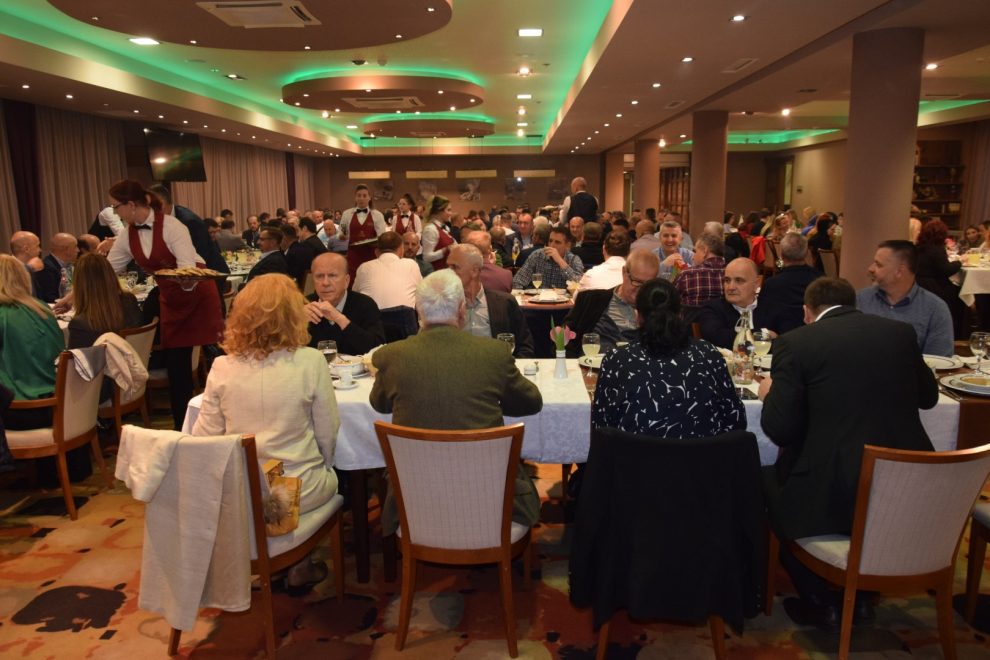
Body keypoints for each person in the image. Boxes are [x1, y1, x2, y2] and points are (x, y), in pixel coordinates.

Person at [758, 277, 938, 629]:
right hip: (905, 485)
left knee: (764, 480)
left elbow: (779, 429)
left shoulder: (796, 343)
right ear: (853, 305)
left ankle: (819, 599)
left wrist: (769, 395)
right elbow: (928, 398)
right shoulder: (899, 334)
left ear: (807, 312)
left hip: (835, 491)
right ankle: (864, 596)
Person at [192, 273, 339, 593]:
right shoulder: (310, 361)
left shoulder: (221, 367)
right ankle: (297, 562)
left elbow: (203, 442)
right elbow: (328, 435)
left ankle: (275, 558)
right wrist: (325, 465)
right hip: (297, 488)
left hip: (244, 493)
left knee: (266, 484)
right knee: (329, 475)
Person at [369, 270, 543, 535]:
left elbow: (379, 404)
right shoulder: (493, 354)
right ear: (462, 310)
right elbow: (531, 402)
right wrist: (490, 397)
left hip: (416, 503)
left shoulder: (391, 356)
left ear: (418, 311)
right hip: (491, 500)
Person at [105, 179, 224, 430]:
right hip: (170, 296)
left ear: (131, 204)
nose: (115, 213)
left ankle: (214, 419)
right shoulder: (127, 235)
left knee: (211, 360)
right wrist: (71, 296)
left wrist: (185, 287)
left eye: (116, 207)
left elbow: (187, 268)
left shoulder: (172, 226)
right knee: (177, 366)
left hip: (196, 291)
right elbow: (106, 270)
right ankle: (183, 428)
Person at [591, 277, 744, 437]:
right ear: (680, 314)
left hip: (635, 452)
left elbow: (601, 427)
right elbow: (736, 420)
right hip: (700, 452)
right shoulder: (708, 355)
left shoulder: (617, 360)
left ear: (638, 316)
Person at [855, 240, 953, 356]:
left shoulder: (935, 309)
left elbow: (938, 360)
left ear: (899, 271)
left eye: (879, 265)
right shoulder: (861, 299)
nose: (870, 269)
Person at [564, 249, 660, 357]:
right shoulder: (590, 300)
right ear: (624, 272)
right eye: (637, 282)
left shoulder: (658, 311)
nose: (641, 289)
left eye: (648, 284)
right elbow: (563, 341)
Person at [447, 244, 535, 357]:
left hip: (498, 366)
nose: (448, 272)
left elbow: (525, 346)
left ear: (474, 271)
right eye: (448, 267)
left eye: (454, 267)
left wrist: (510, 366)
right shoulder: (445, 305)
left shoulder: (504, 303)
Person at [305, 252, 385, 354]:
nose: (325, 283)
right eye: (319, 276)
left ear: (346, 281)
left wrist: (340, 319)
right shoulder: (303, 305)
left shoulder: (365, 305)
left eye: (332, 275)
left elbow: (378, 349)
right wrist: (296, 322)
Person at [67, 253, 143, 349]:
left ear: (79, 284)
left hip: (108, 359)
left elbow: (75, 358)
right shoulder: (129, 300)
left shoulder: (80, 324)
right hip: (135, 356)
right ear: (110, 275)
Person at [696, 258, 773, 350]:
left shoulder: (773, 307)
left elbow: (784, 341)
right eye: (727, 280)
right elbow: (719, 338)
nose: (731, 287)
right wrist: (764, 333)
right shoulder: (712, 309)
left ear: (757, 283)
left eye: (739, 280)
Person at [758, 233, 822, 334]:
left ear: (782, 255)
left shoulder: (772, 284)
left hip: (780, 337)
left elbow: (763, 318)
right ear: (806, 253)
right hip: (814, 334)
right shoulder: (820, 281)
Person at [915, 220, 967, 340]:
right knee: (960, 294)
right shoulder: (936, 249)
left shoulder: (919, 247)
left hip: (918, 283)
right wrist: (960, 262)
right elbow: (946, 270)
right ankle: (957, 333)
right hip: (933, 286)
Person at [353, 232, 422, 310]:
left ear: (376, 251)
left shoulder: (363, 267)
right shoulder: (411, 264)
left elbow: (355, 297)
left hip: (371, 315)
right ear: (401, 250)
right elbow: (422, 296)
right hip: (402, 316)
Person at [336, 184, 388, 281]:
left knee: (370, 280)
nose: (361, 198)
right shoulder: (346, 214)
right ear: (355, 197)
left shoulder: (377, 215)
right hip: (353, 255)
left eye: (364, 196)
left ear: (369, 197)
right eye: (359, 195)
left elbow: (382, 236)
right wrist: (342, 236)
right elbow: (341, 232)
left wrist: (376, 242)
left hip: (371, 255)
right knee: (352, 281)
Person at [512, 226, 584, 290]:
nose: (552, 245)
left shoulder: (574, 260)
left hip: (564, 300)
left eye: (557, 242)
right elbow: (517, 281)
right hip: (538, 299)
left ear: (567, 245)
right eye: (550, 241)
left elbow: (579, 284)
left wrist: (560, 261)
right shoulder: (537, 255)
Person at [673, 233, 727, 310]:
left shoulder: (687, 275)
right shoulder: (733, 274)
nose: (693, 257)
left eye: (695, 251)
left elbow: (671, 301)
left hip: (691, 317)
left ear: (705, 251)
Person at [33, 232, 79, 303]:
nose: (78, 250)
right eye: (75, 247)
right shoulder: (46, 267)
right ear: (67, 249)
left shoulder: (69, 265)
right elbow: (49, 297)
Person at [420, 194, 456, 270]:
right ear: (439, 211)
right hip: (436, 272)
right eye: (448, 210)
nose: (451, 213)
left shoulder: (446, 227)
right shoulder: (430, 229)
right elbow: (427, 257)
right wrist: (445, 250)